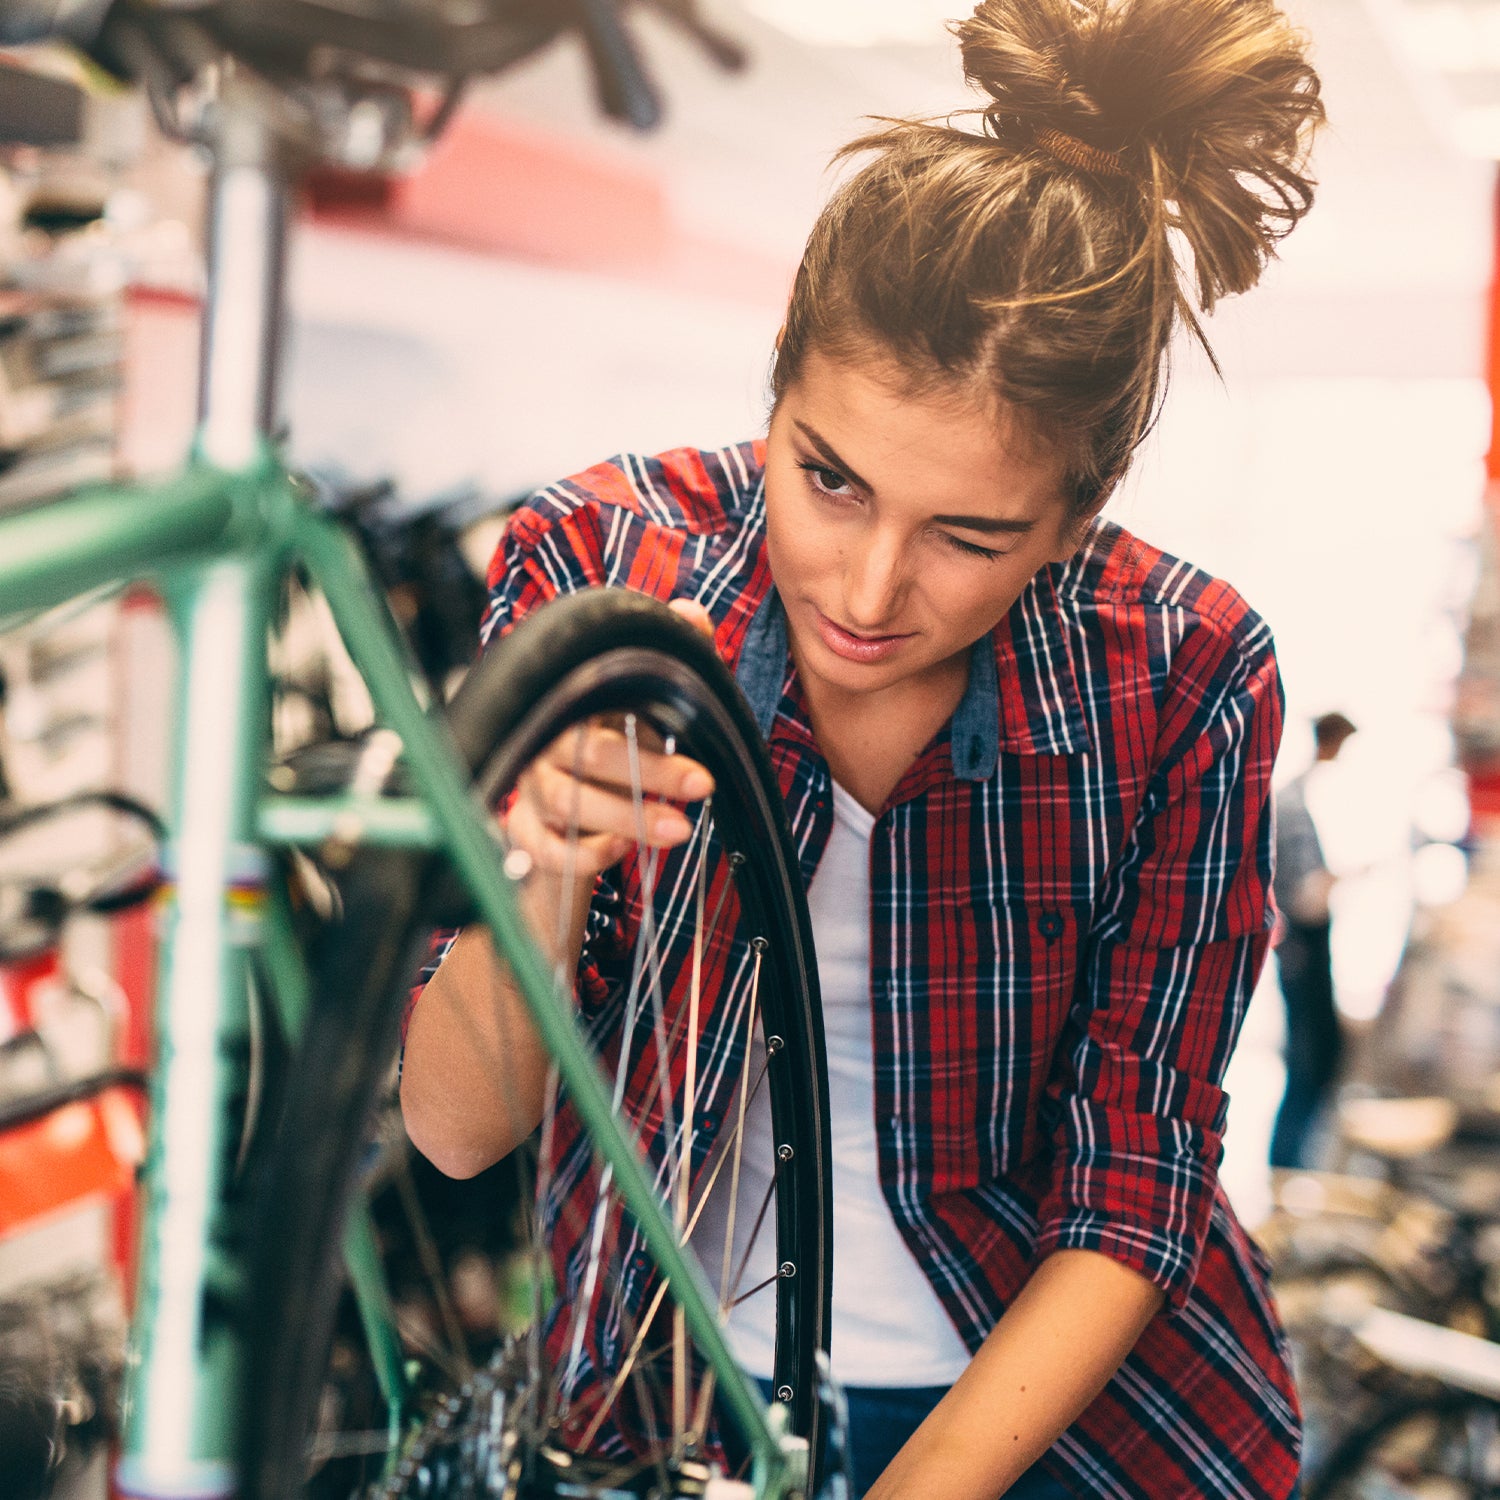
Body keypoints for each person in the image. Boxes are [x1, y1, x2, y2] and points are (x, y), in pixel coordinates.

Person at [400, 1, 1323, 1494]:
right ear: (775, 390)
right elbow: (455, 1133)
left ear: (1079, 521)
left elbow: (1135, 1191)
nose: (868, 590)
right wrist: (541, 856)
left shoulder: (1188, 672)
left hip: (1067, 1428)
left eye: (971, 535)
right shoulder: (597, 567)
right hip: (667, 1399)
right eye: (827, 478)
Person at [1270, 711, 1356, 1170]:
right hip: (1301, 946)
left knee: (1317, 1058)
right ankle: (1287, 1166)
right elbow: (1303, 894)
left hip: (1302, 944)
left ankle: (1291, 1163)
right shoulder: (1294, 802)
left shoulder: (1299, 796)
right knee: (1310, 1062)